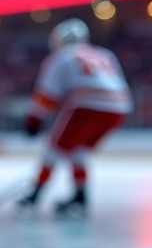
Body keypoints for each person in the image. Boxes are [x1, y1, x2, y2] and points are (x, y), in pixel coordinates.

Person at [19, 19, 133, 215]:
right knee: (78, 150)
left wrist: (34, 120)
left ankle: (34, 196)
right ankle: (80, 197)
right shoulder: (104, 53)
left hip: (87, 106)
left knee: (54, 149)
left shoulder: (61, 56)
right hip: (119, 108)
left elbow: (46, 95)